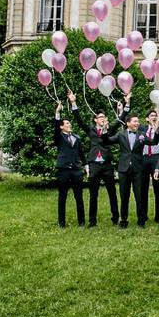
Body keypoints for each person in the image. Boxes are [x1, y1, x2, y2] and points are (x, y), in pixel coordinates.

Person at [69, 90, 128, 227]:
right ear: (95, 119)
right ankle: (92, 221)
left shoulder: (109, 129)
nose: (103, 118)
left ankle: (115, 218)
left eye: (104, 116)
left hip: (107, 165)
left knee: (112, 193)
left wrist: (126, 105)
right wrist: (73, 103)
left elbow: (120, 120)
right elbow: (79, 120)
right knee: (93, 194)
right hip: (94, 164)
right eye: (100, 117)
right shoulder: (91, 130)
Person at [109, 112, 159, 228]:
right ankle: (123, 221)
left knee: (139, 195)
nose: (137, 123)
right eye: (135, 121)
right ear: (128, 123)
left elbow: (153, 142)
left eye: (138, 121)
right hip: (124, 169)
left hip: (138, 170)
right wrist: (105, 130)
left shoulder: (141, 135)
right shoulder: (121, 135)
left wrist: (156, 132)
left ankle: (141, 221)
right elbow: (108, 140)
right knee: (124, 196)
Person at [53, 101, 85, 227]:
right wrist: (58, 112)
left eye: (69, 123)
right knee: (62, 197)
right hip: (63, 170)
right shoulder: (59, 137)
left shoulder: (77, 138)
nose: (69, 124)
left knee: (79, 197)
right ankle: (61, 223)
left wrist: (85, 166)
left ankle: (81, 222)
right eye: (67, 123)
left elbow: (81, 153)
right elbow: (56, 127)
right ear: (62, 127)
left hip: (76, 170)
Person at [139, 110, 159, 224]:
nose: (153, 117)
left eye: (155, 115)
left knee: (157, 189)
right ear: (147, 119)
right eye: (151, 116)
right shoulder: (142, 129)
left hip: (156, 158)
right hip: (144, 159)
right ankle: (143, 216)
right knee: (143, 189)